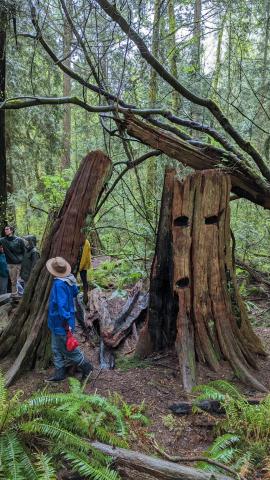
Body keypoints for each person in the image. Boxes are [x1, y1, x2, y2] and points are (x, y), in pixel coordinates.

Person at [46, 256, 93, 382]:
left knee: (69, 350)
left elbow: (62, 306)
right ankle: (60, 372)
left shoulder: (58, 284)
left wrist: (66, 322)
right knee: (56, 347)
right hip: (59, 321)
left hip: (61, 322)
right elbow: (74, 293)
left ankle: (87, 368)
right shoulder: (70, 279)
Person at [0, 226, 25, 294]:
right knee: (13, 281)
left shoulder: (19, 240)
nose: (5, 230)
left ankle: (19, 295)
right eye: (5, 229)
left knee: (16, 281)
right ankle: (15, 295)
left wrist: (22, 261)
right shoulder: (2, 240)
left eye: (7, 229)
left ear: (11, 231)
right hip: (9, 264)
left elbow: (24, 251)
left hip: (18, 263)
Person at [78, 238, 91, 304]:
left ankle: (85, 298)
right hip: (78, 264)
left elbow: (84, 257)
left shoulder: (86, 243)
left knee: (84, 281)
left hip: (83, 266)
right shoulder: (78, 241)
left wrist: (79, 268)